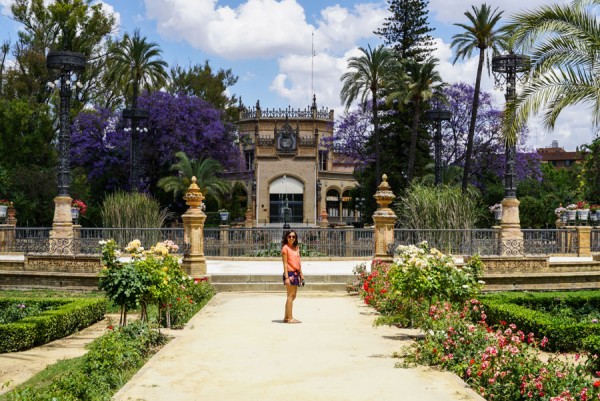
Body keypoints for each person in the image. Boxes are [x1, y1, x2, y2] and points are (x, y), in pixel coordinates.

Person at [281, 229, 303, 323]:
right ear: (286, 237)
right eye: (289, 236)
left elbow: (298, 261)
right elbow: (285, 264)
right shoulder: (285, 248)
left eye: (293, 236)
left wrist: (301, 274)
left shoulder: (296, 247)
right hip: (289, 274)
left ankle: (286, 317)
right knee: (291, 295)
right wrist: (286, 277)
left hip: (296, 273)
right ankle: (290, 318)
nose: (291, 238)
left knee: (292, 296)